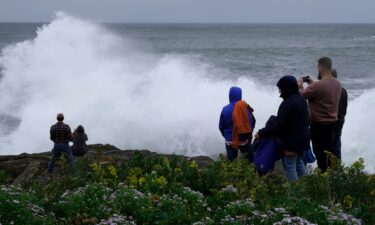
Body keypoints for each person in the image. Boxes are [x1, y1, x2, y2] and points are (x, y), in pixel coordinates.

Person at [257, 76, 310, 182]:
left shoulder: (288, 103)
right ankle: (309, 188)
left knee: (290, 168)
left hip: (292, 142)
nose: (279, 91)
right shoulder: (301, 99)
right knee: (299, 165)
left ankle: (297, 194)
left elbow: (279, 126)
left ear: (286, 88)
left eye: (280, 88)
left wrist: (261, 132)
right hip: (303, 139)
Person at [299, 57, 342, 172]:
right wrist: (312, 83)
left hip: (318, 126)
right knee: (329, 154)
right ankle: (332, 178)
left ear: (321, 67)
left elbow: (301, 95)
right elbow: (323, 89)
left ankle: (323, 182)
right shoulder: (337, 84)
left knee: (320, 155)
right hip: (332, 124)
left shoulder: (318, 86)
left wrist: (300, 85)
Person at [219, 87, 256, 162]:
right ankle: (247, 172)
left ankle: (232, 172)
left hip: (230, 141)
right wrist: (249, 134)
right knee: (249, 161)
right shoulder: (244, 107)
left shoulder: (225, 109)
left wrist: (226, 135)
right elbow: (251, 122)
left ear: (230, 95)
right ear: (240, 95)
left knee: (231, 162)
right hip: (243, 140)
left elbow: (221, 126)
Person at [331, 69, 348, 159]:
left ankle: (329, 169)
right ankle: (337, 168)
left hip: (332, 122)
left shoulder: (330, 90)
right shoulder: (343, 90)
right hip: (340, 120)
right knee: (336, 145)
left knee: (329, 146)